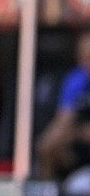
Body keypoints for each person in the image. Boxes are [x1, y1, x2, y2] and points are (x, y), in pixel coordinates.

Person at [36, 31, 90, 181]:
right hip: (79, 135)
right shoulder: (76, 79)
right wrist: (60, 138)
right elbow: (64, 118)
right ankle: (47, 188)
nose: (86, 61)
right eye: (84, 56)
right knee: (47, 144)